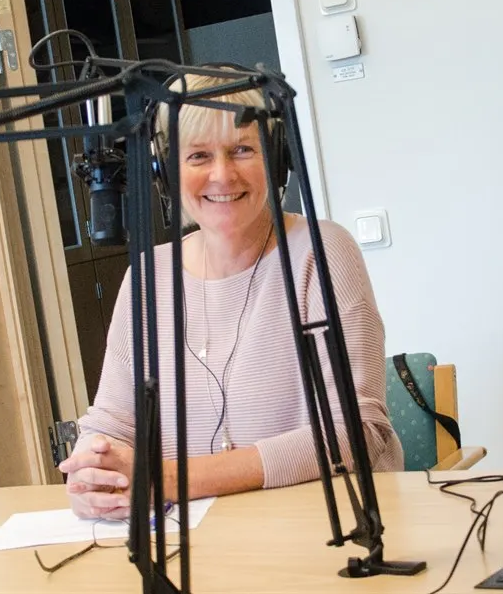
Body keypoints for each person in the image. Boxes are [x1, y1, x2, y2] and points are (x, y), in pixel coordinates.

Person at [57, 74, 402, 519]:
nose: (222, 175)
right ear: (166, 172)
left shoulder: (321, 251)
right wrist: (92, 473)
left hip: (325, 528)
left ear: (275, 158)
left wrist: (170, 480)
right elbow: (112, 422)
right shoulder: (147, 277)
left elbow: (355, 430)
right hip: (201, 538)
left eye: (242, 149)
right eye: (198, 155)